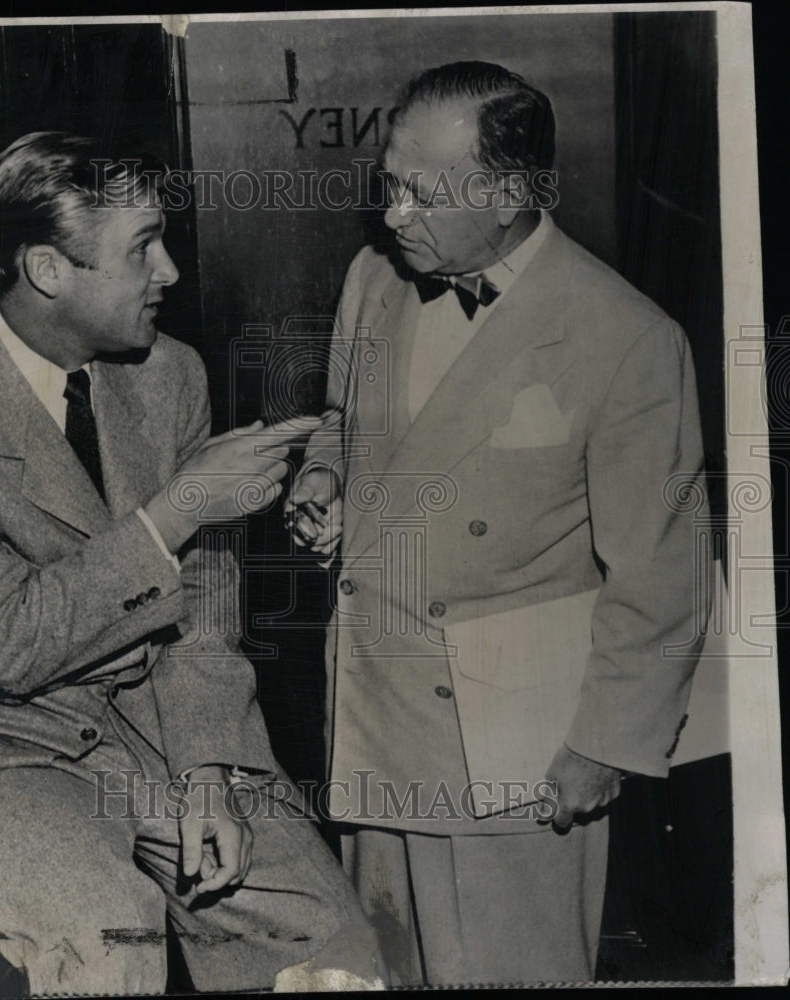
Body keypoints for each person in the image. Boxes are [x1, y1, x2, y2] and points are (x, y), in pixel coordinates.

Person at [0, 131, 386, 997]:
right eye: (142, 248)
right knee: (106, 940)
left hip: (156, 722)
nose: (169, 271)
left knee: (328, 938)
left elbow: (204, 598)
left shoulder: (170, 374)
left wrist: (207, 766)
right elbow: (2, 641)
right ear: (50, 271)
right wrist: (178, 509)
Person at [286, 61, 709, 986]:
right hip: (372, 709)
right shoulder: (375, 278)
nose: (393, 215)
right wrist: (326, 484)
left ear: (512, 192)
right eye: (389, 184)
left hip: (515, 743)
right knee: (373, 972)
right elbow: (343, 424)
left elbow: (664, 578)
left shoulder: (629, 338)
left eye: (422, 195)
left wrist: (603, 746)